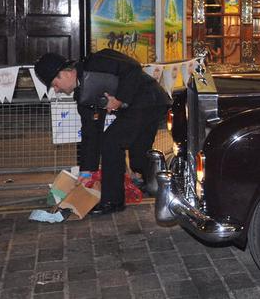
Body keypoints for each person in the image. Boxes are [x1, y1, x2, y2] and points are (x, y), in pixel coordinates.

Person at [34, 49, 170, 215]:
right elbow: (90, 133)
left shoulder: (97, 62)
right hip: (139, 107)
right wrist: (86, 171)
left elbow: (133, 68)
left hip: (149, 99)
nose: (56, 90)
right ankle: (161, 183)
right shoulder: (83, 97)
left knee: (111, 142)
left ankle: (112, 201)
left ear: (65, 73)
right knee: (138, 157)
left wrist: (119, 99)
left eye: (55, 84)